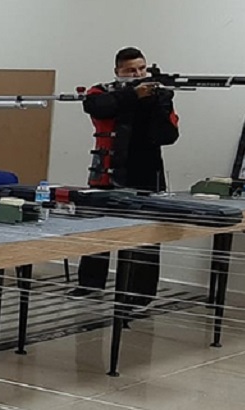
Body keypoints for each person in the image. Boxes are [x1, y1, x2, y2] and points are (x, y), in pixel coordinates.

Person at [67, 47, 180, 311]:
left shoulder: (159, 95)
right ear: (117, 71)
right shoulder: (102, 92)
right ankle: (90, 284)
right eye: (130, 70)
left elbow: (168, 135)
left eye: (142, 69)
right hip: (106, 173)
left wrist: (158, 103)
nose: (138, 74)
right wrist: (134, 95)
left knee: (146, 238)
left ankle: (140, 297)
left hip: (146, 175)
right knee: (96, 233)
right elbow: (96, 107)